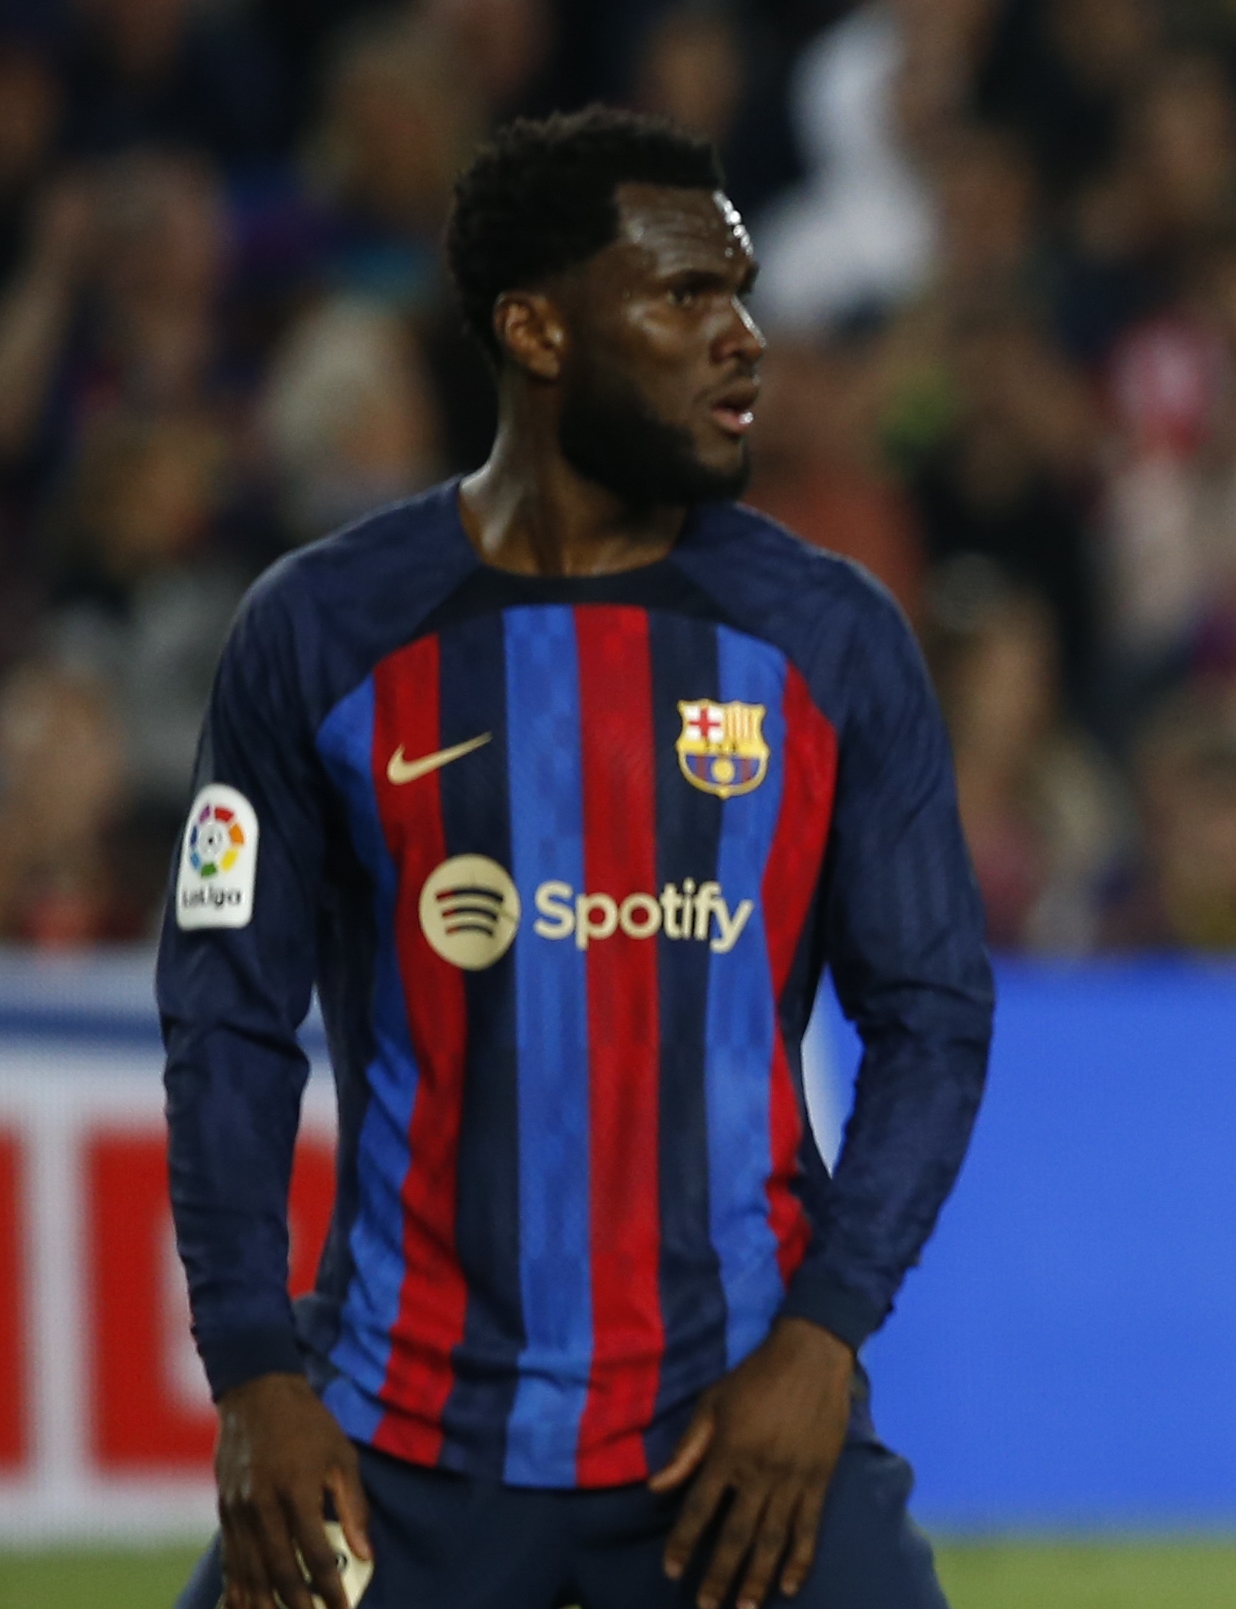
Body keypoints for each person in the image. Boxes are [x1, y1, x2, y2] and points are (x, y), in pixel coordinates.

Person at [158, 108, 991, 1609]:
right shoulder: (320, 631)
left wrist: (825, 1338)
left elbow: (933, 1018)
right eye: (686, 296)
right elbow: (225, 1022)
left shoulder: (832, 638)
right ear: (535, 330)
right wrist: (254, 1375)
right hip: (391, 1443)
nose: (744, 338)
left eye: (739, 293)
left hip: (738, 1438)